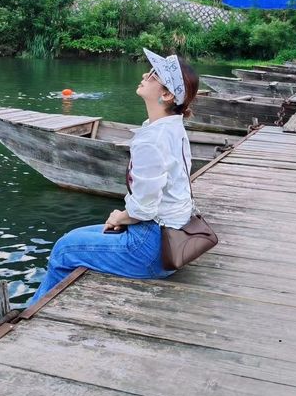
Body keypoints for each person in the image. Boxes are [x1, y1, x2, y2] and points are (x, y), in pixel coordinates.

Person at [26, 48, 199, 306]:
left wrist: (122, 216)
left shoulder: (152, 139)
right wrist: (127, 217)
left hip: (151, 250)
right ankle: (39, 304)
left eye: (153, 74)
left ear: (166, 94)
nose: (145, 74)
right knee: (74, 237)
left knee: (64, 249)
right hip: (171, 239)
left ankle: (30, 315)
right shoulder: (172, 128)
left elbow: (144, 207)